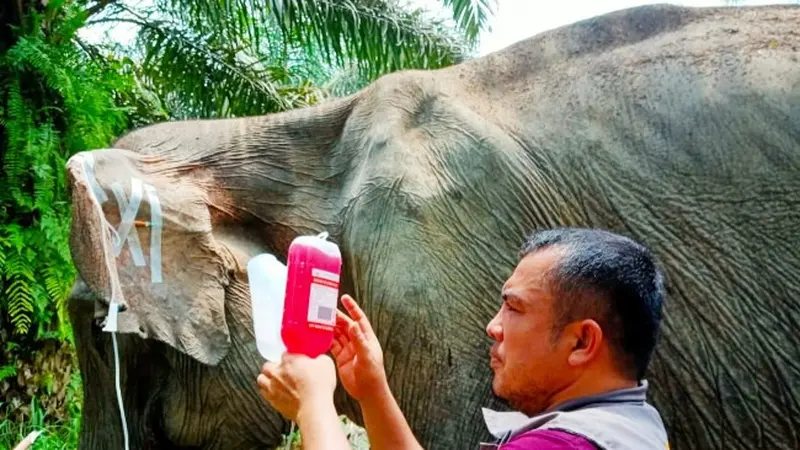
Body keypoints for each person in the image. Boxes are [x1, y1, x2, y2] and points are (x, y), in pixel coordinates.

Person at [257, 228, 671, 449]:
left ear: (581, 343)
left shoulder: (565, 445)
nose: (494, 326)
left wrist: (312, 407)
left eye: (515, 308)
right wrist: (372, 390)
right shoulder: (631, 425)